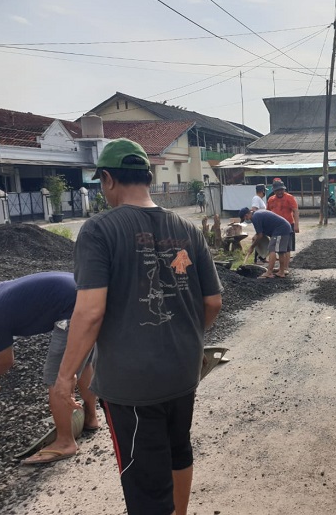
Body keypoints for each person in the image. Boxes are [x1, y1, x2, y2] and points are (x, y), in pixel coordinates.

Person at [50, 138, 223, 515]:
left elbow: (90, 311)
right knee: (179, 449)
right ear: (148, 176)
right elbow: (212, 302)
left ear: (108, 180)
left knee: (144, 479)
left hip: (133, 384)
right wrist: (187, 340)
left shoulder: (99, 230)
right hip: (183, 370)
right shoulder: (188, 229)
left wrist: (65, 378)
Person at [0, 271, 99, 465]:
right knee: (82, 364)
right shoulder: (0, 293)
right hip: (89, 294)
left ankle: (65, 442)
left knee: (58, 375)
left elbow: (4, 361)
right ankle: (91, 418)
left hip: (73, 308)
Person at [239, 207, 291, 279]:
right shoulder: (257, 214)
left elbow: (260, 235)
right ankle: (282, 271)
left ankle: (269, 273)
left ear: (247, 214)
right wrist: (255, 236)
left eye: (245, 218)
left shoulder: (255, 217)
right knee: (281, 251)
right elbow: (260, 232)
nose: (246, 219)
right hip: (284, 227)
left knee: (272, 249)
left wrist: (252, 247)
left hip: (280, 229)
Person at [266, 179, 299, 256]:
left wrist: (296, 225)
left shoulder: (289, 198)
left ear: (284, 189)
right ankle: (281, 265)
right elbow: (268, 212)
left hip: (288, 224)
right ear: (274, 191)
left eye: (281, 190)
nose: (280, 192)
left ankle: (285, 267)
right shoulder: (271, 200)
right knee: (275, 246)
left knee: (287, 247)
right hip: (275, 226)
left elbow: (295, 211)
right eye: (278, 190)